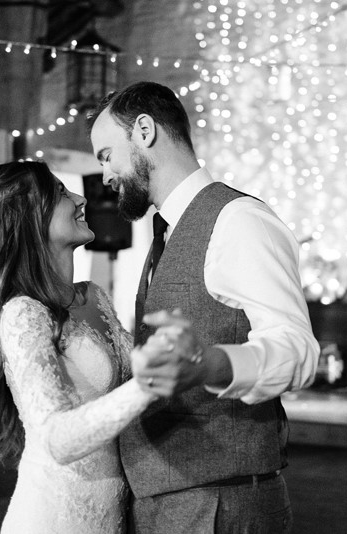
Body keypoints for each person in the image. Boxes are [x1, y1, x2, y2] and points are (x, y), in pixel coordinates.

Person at [88, 81, 319, 533]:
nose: (106, 175)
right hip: (165, 499)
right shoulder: (165, 232)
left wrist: (211, 363)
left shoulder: (239, 221)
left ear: (144, 130)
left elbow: (298, 351)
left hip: (221, 504)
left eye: (106, 155)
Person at [0, 161, 171, 533]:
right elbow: (56, 439)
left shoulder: (93, 297)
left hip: (115, 513)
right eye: (60, 192)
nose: (81, 197)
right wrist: (147, 385)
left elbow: (127, 375)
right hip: (56, 517)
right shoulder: (24, 313)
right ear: (28, 218)